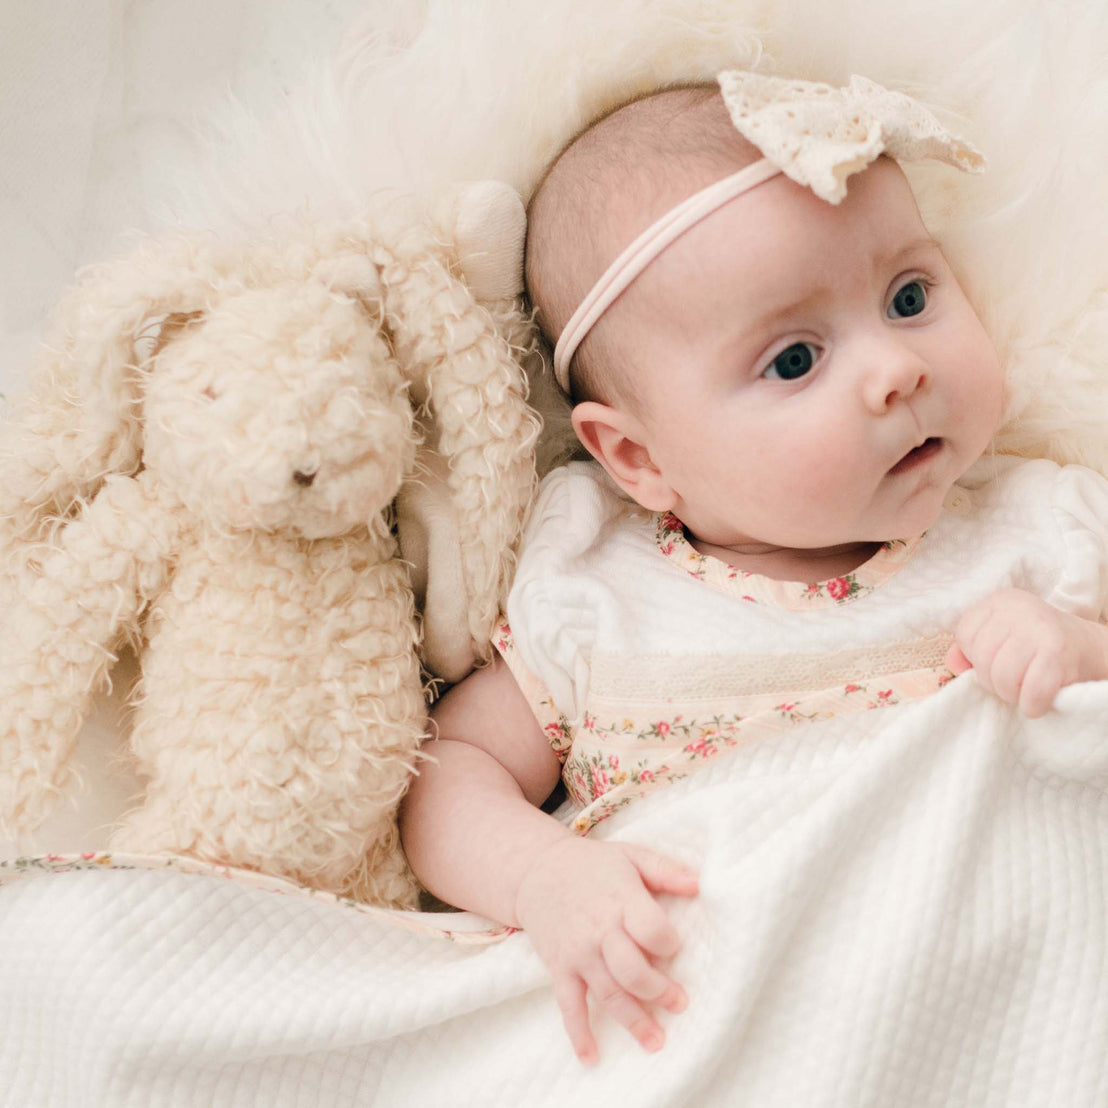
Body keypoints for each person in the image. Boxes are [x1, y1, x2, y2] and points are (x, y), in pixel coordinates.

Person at [399, 73, 1108, 1067]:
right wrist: (543, 878)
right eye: (793, 360)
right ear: (638, 460)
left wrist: (1079, 649)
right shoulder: (601, 602)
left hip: (1004, 1009)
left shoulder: (1038, 534)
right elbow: (442, 775)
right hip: (722, 1027)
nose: (894, 368)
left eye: (909, 297)